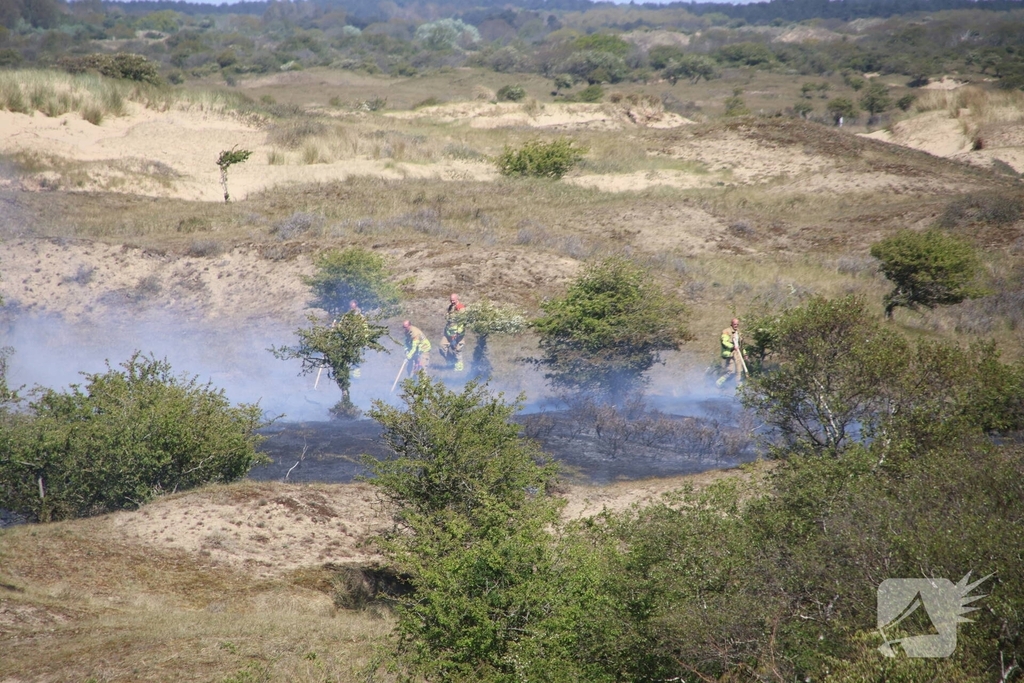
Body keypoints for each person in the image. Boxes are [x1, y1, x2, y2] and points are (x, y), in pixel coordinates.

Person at [440, 293, 467, 372]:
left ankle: (459, 368)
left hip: (457, 334)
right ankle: (451, 362)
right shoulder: (450, 307)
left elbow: (462, 322)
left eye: (453, 300)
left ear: (457, 299)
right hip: (448, 333)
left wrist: (457, 333)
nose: (452, 302)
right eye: (451, 300)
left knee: (457, 350)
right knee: (442, 346)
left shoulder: (460, 308)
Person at [716, 318, 746, 388]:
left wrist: (745, 353)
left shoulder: (739, 332)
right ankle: (719, 383)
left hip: (738, 354)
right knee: (731, 372)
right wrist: (732, 346)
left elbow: (742, 345)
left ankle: (739, 388)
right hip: (730, 354)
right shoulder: (726, 331)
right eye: (735, 324)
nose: (736, 326)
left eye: (737, 324)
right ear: (731, 324)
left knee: (739, 371)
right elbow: (724, 342)